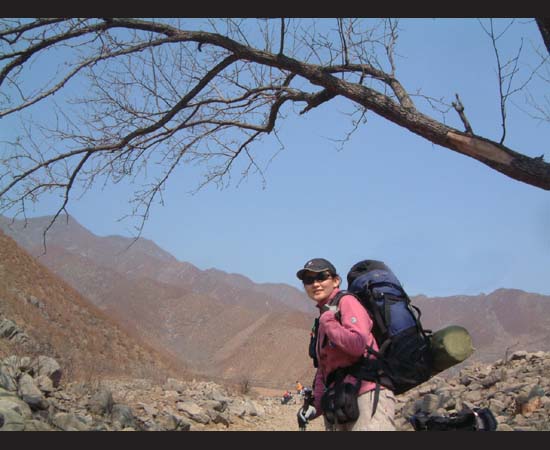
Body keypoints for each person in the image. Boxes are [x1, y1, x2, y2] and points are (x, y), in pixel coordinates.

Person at [296, 258, 396, 431]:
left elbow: (357, 345)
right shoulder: (325, 315)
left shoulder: (346, 302)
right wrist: (316, 406)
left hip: (366, 393)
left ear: (336, 281)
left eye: (321, 277)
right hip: (341, 400)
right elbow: (324, 369)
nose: (315, 284)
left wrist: (328, 321)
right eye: (308, 280)